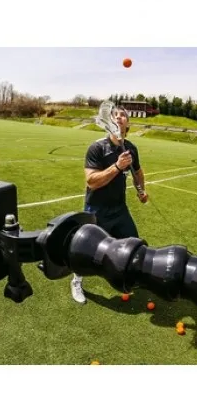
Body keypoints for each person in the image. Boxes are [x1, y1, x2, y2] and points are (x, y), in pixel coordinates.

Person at [70, 104, 148, 304]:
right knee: (87, 251)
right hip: (97, 210)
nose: (119, 117)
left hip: (119, 209)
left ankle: (133, 277)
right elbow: (92, 181)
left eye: (123, 115)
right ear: (109, 122)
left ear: (128, 123)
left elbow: (138, 172)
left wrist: (141, 190)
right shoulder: (97, 148)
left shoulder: (131, 148)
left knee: (134, 245)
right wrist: (117, 166)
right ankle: (77, 280)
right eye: (115, 115)